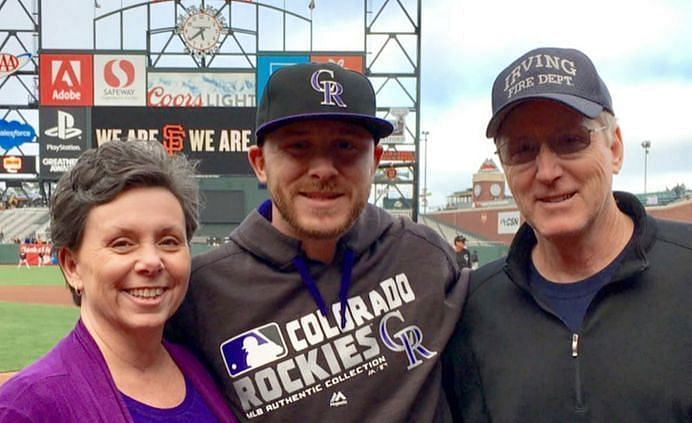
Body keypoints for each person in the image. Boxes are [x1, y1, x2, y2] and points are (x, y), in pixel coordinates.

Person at [166, 62, 468, 422]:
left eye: (345, 145)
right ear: (259, 163)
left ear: (375, 161)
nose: (323, 169)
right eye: (298, 146)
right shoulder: (201, 292)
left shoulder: (423, 255)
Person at [442, 47, 692, 421]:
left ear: (616, 148)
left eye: (571, 141)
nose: (546, 171)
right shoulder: (471, 309)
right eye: (523, 149)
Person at [0, 140, 236, 422]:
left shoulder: (206, 369)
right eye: (122, 243)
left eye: (169, 241)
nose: (151, 261)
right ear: (72, 266)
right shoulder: (27, 407)